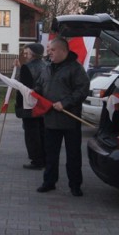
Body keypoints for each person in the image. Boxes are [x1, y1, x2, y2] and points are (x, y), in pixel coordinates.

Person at [35, 37, 90, 196]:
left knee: (73, 155)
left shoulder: (75, 68)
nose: (49, 53)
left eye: (52, 50)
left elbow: (82, 90)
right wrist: (32, 92)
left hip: (70, 119)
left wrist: (65, 103)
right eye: (49, 50)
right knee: (51, 154)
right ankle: (49, 182)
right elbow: (41, 85)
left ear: (63, 51)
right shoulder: (47, 67)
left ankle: (75, 185)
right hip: (50, 119)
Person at [14, 43, 47, 170]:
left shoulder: (27, 67)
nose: (24, 55)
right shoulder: (46, 65)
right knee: (41, 132)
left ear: (33, 54)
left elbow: (22, 87)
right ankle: (43, 157)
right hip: (42, 105)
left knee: (31, 134)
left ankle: (36, 160)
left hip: (29, 106)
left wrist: (20, 107)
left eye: (27, 53)